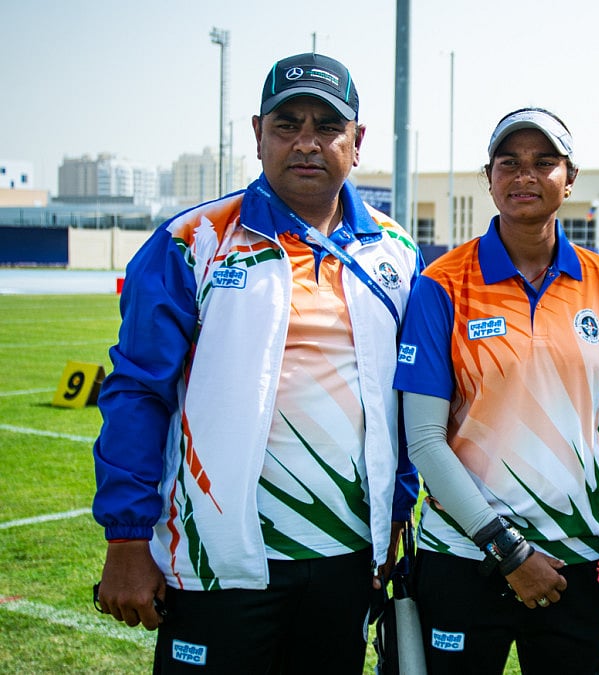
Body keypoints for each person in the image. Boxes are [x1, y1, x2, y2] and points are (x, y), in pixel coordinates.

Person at [92, 53, 423, 673]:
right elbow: (137, 393)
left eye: (327, 126)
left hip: (346, 557)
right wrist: (127, 538)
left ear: (358, 141)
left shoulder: (397, 251)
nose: (306, 142)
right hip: (216, 559)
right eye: (287, 124)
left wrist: (394, 517)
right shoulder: (192, 241)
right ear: (257, 133)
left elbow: (406, 403)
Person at [394, 107, 599, 675]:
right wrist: (508, 552)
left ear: (571, 176)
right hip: (466, 555)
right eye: (508, 163)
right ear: (487, 178)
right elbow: (423, 440)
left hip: (578, 558)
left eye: (544, 162)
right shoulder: (441, 285)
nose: (525, 177)